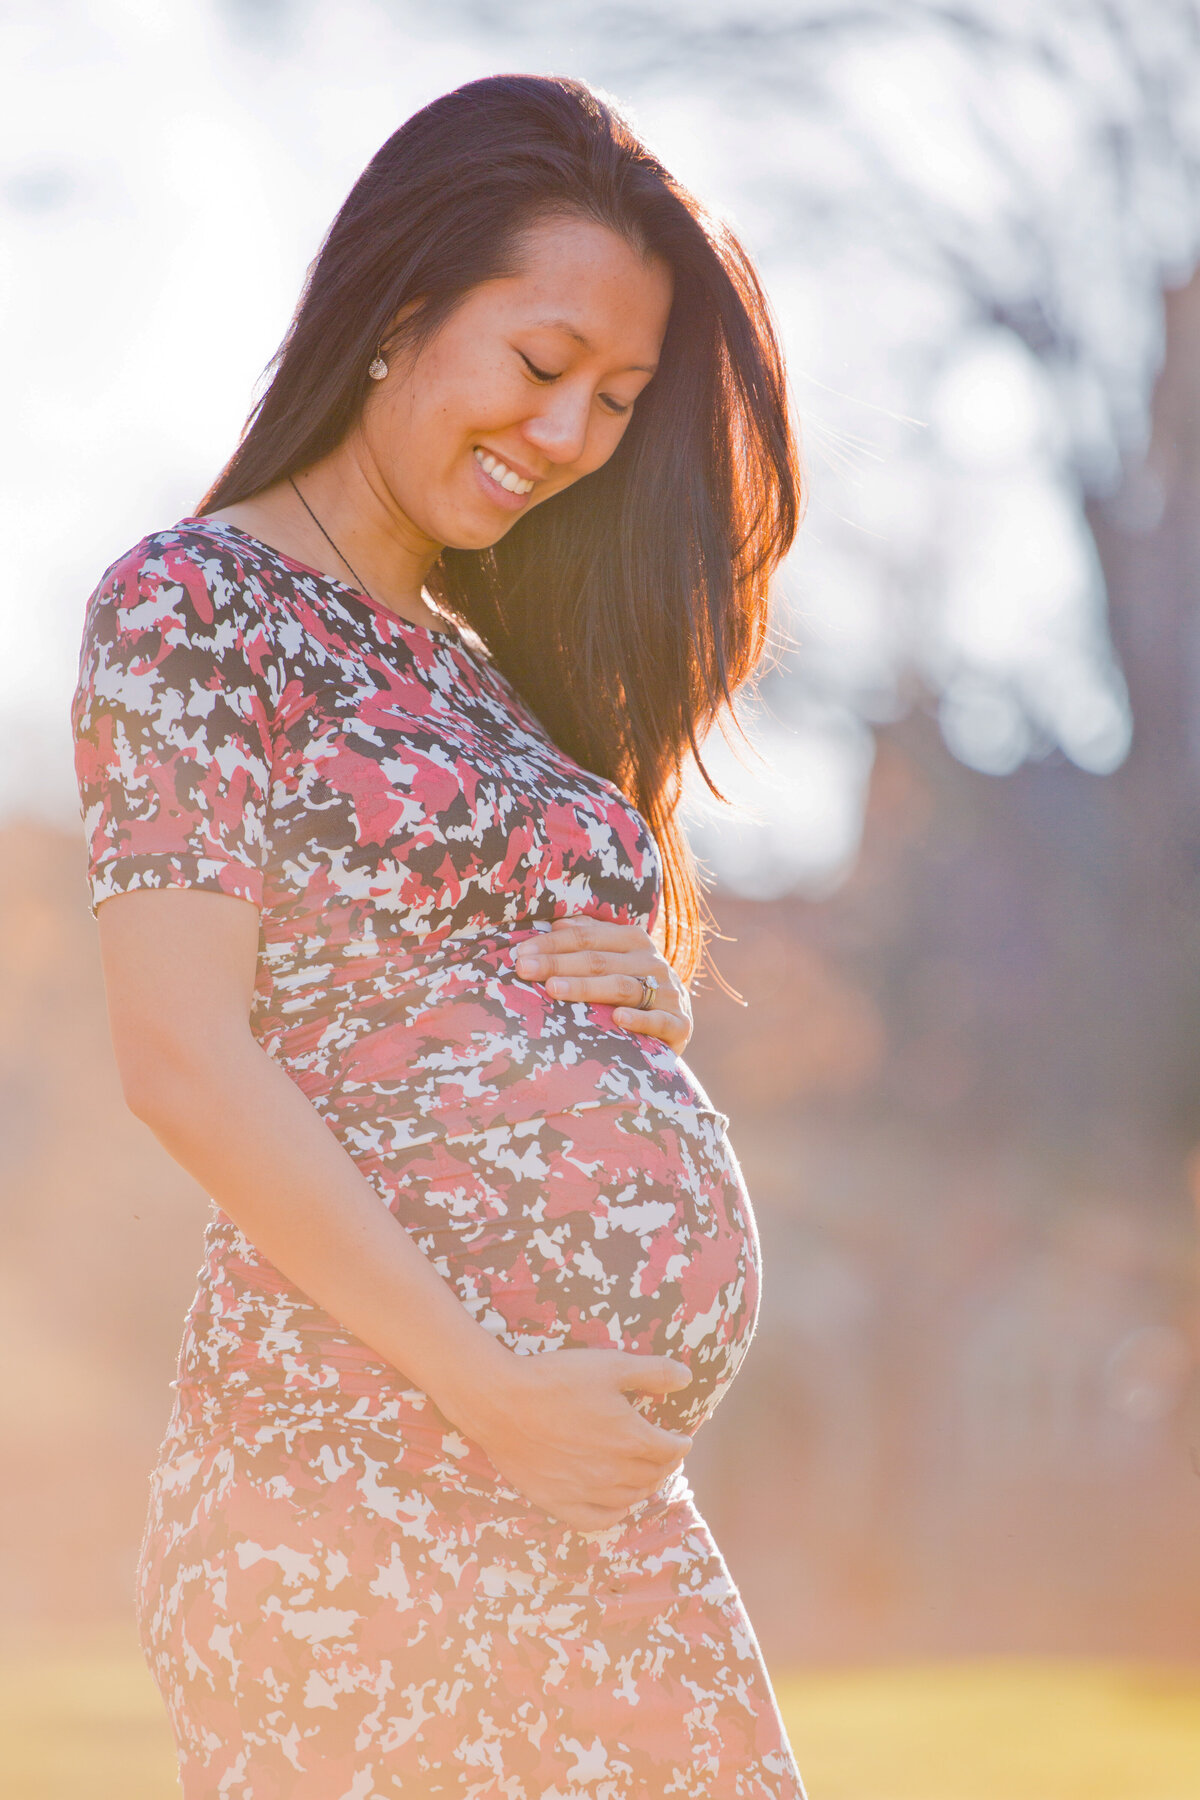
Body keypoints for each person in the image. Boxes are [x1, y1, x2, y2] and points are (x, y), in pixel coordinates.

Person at [70, 72, 806, 1799]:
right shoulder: (194, 608)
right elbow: (181, 1059)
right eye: (544, 367)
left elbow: (444, 995)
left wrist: (636, 1001)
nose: (569, 436)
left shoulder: (487, 675)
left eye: (617, 401)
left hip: (583, 1488)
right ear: (402, 315)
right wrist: (489, 1383)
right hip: (358, 1483)